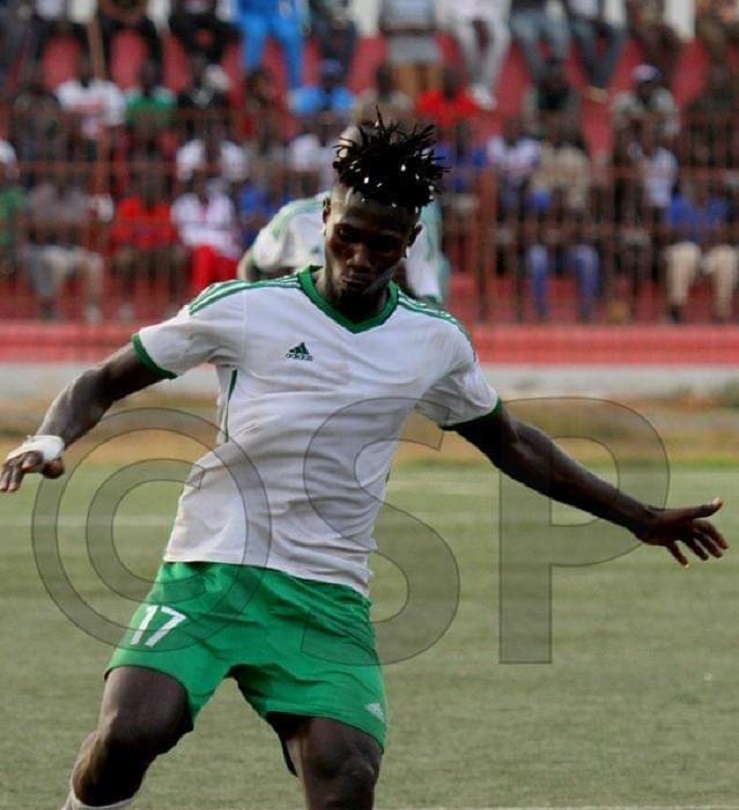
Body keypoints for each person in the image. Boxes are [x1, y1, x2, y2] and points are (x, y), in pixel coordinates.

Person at [0, 117, 728, 810]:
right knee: (132, 731)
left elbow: (509, 440)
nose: (359, 258)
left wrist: (637, 517)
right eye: (347, 237)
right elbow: (102, 380)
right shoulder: (246, 308)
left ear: (410, 240)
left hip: (327, 595)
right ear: (323, 218)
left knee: (346, 774)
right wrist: (52, 437)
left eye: (382, 245)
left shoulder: (431, 341)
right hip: (211, 571)